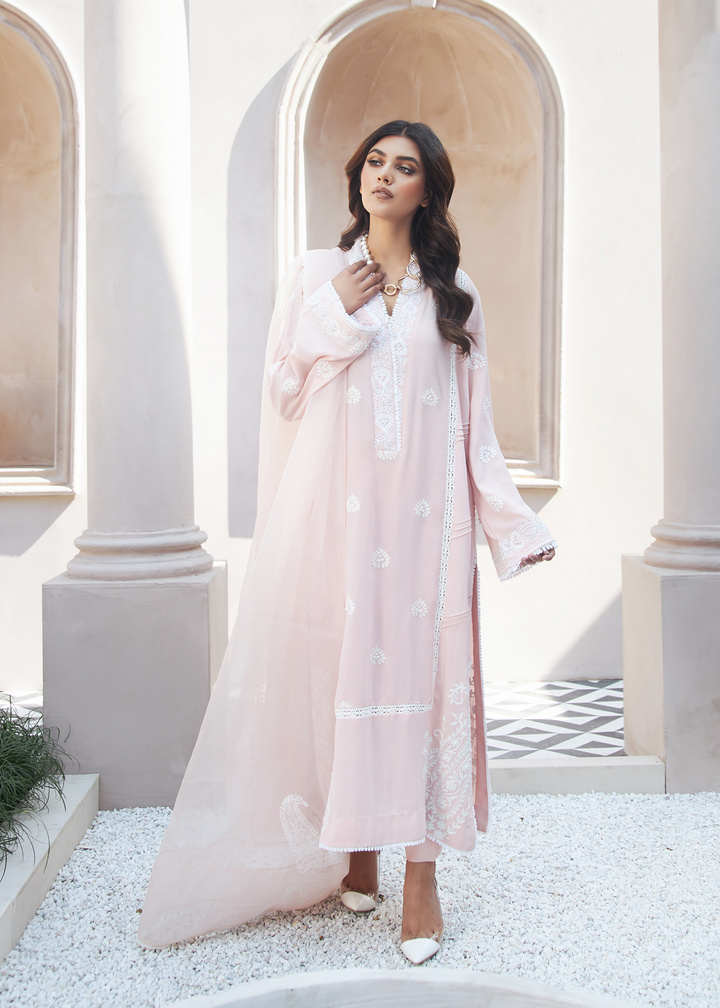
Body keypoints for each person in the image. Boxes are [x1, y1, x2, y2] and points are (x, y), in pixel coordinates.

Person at [138, 120, 555, 963]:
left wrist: (512, 527)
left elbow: (478, 431)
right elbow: (285, 393)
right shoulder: (317, 276)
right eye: (374, 161)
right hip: (345, 525)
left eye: (404, 168)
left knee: (428, 688)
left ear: (428, 190)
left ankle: (421, 877)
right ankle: (356, 846)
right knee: (343, 680)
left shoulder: (456, 292)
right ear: (356, 176)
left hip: (429, 535)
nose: (384, 176)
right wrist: (338, 312)